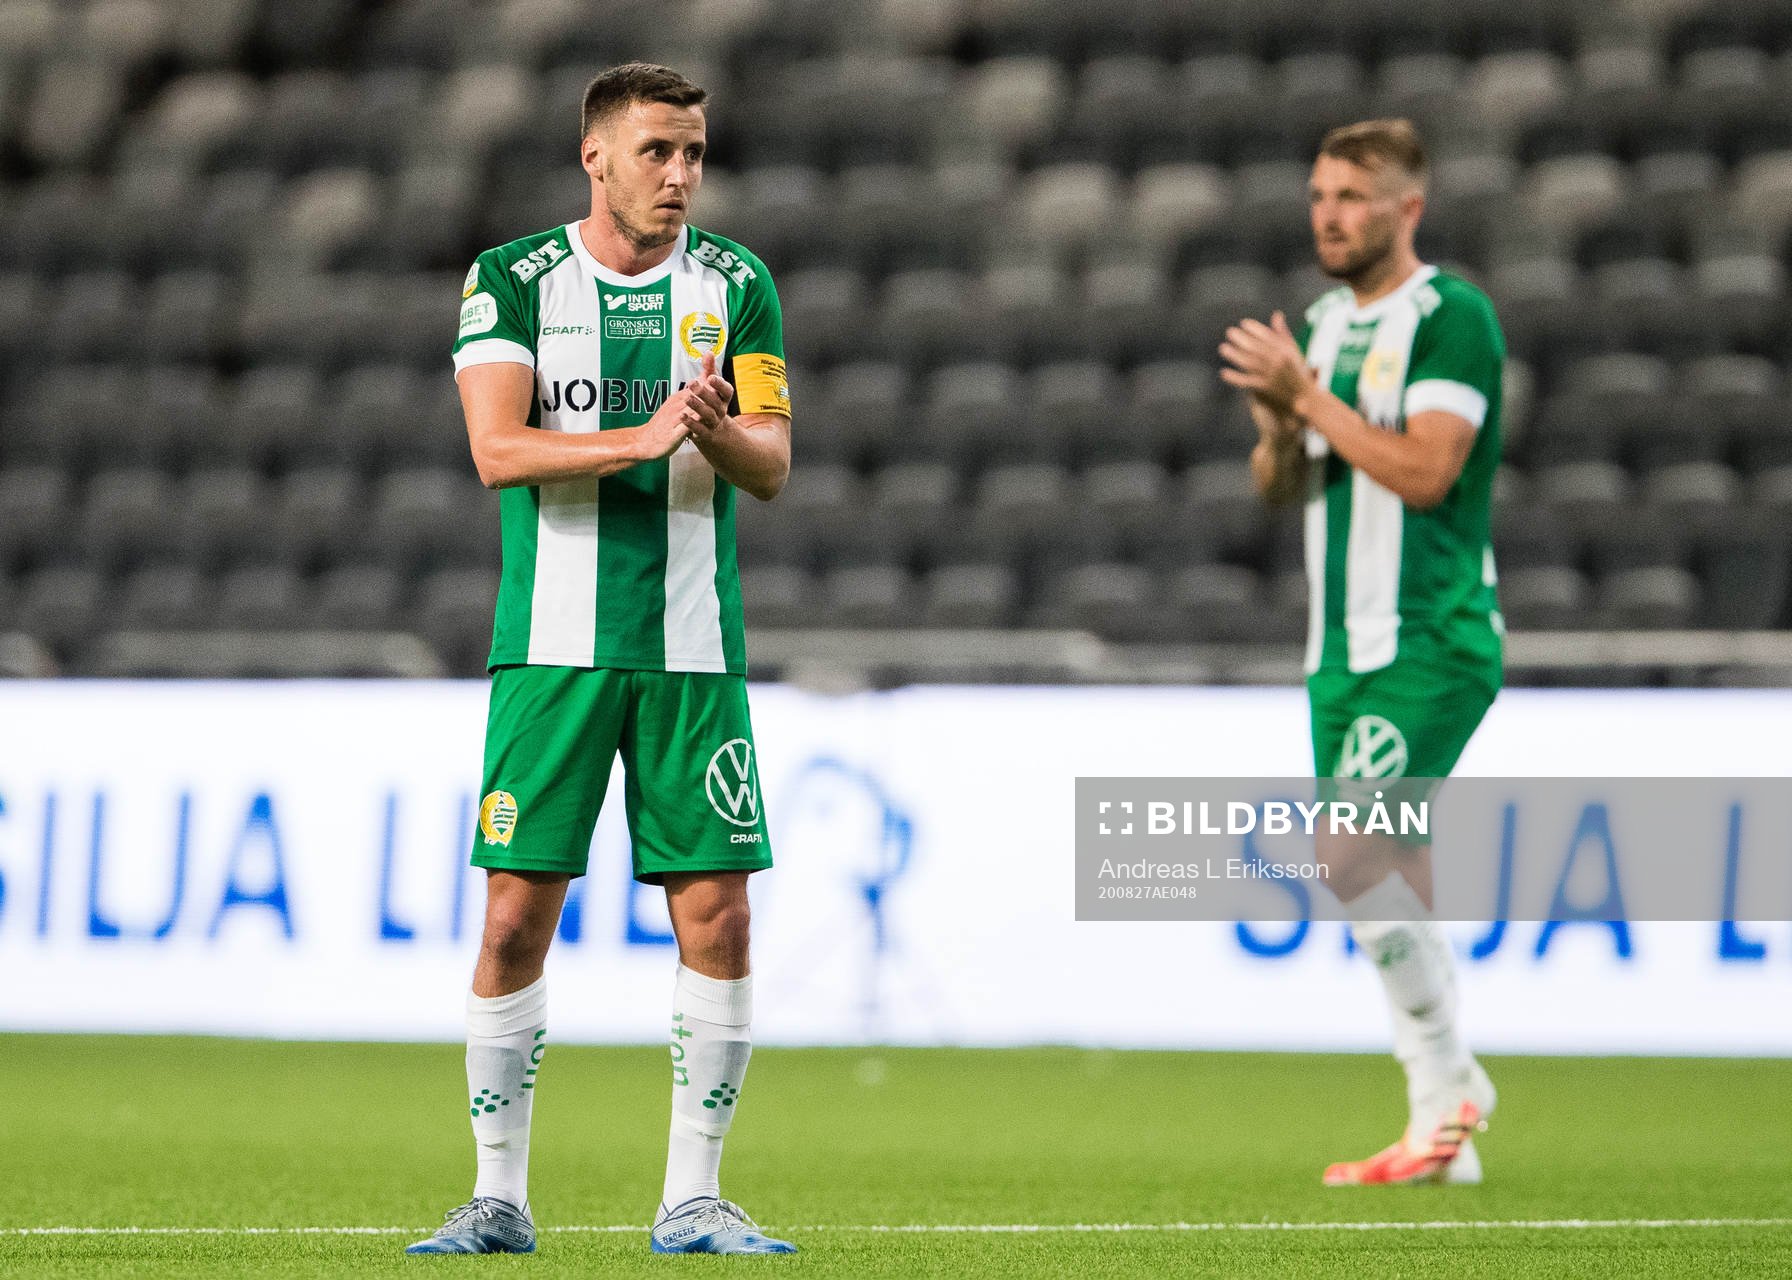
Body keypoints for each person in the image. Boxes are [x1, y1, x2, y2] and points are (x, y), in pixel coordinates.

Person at [407, 62, 796, 1255]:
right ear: (596, 156)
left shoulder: (737, 284)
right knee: (518, 915)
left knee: (718, 918)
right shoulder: (513, 278)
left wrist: (719, 430)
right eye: (655, 152)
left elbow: (774, 462)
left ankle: (692, 1198)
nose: (678, 175)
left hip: (691, 649)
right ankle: (498, 1196)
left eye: (692, 154)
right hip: (552, 651)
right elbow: (495, 446)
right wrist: (639, 434)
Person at [1217, 118, 1504, 1186]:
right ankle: (1439, 1127)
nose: (1328, 214)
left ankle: (1457, 1074)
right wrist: (1279, 428)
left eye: (1350, 195)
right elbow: (1282, 487)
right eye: (1318, 194)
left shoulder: (1451, 317)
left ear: (1406, 209)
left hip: (1430, 639)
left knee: (1341, 856)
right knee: (1396, 882)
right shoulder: (1327, 326)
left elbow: (1425, 472)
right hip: (1338, 650)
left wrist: (1309, 400)